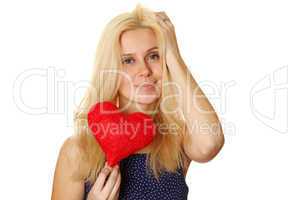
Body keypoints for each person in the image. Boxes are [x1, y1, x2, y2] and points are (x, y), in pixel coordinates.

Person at [51, 4, 224, 200]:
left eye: (154, 56)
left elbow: (210, 143)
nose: (145, 70)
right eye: (128, 60)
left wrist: (173, 54)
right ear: (111, 71)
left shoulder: (177, 140)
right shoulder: (78, 150)